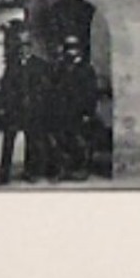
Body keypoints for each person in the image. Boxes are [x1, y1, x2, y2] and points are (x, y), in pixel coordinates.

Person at [0, 25, 50, 185]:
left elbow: (44, 88)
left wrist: (36, 102)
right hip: (14, 109)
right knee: (8, 141)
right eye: (21, 46)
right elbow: (6, 87)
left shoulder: (40, 65)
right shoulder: (12, 65)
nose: (23, 50)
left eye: (26, 46)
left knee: (32, 141)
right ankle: (3, 176)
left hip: (32, 110)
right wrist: (3, 106)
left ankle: (30, 172)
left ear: (31, 48)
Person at [52, 35, 99, 180]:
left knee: (79, 141)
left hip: (79, 112)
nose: (71, 52)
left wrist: (88, 112)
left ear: (79, 50)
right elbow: (54, 87)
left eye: (73, 48)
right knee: (62, 141)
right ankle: (65, 169)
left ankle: (81, 169)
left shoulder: (86, 69)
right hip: (63, 111)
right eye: (68, 48)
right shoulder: (61, 67)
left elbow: (91, 92)